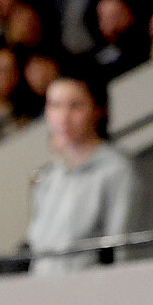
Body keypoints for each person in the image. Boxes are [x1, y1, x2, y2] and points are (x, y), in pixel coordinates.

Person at [27, 75, 140, 274]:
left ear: (98, 110)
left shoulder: (117, 170)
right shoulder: (48, 176)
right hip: (43, 293)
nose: (63, 117)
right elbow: (37, 248)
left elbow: (120, 252)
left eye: (75, 106)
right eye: (55, 105)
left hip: (90, 294)